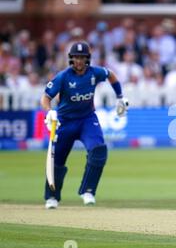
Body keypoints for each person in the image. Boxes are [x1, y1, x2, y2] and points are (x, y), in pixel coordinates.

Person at [41, 41, 129, 209]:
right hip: (65, 121)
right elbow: (45, 97)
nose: (79, 61)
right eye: (76, 57)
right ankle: (52, 197)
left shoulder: (95, 73)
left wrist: (120, 97)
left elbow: (111, 75)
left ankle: (88, 191)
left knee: (99, 151)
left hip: (87, 119)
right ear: (71, 59)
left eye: (82, 58)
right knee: (57, 161)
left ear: (87, 58)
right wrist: (49, 111)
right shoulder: (63, 76)